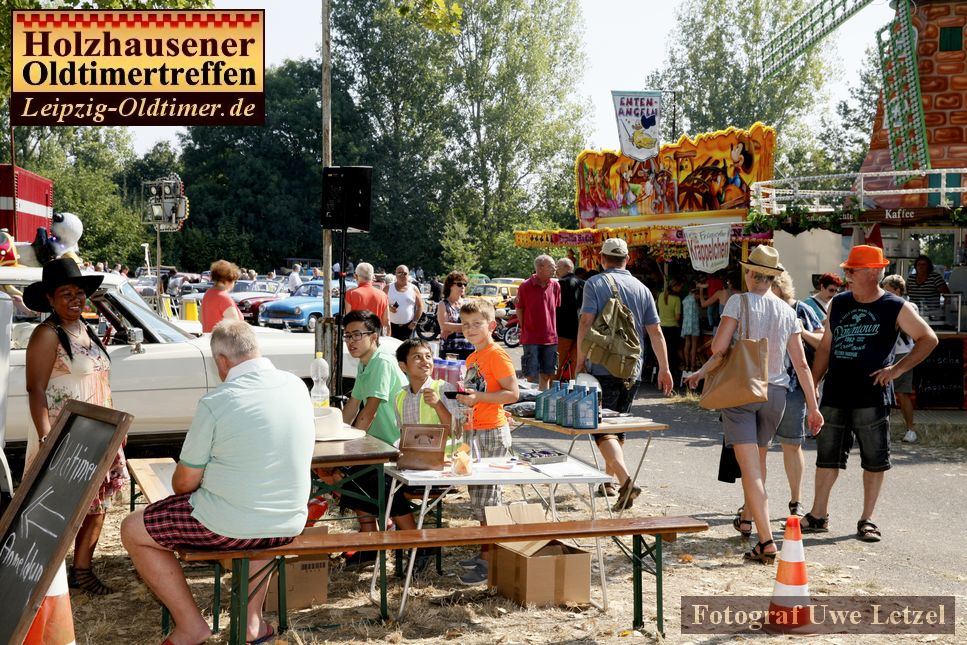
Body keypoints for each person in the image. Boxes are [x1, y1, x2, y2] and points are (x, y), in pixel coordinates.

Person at [120, 321, 314, 645]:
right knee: (258, 520)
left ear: (222, 361)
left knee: (132, 529)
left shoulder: (218, 401)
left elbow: (184, 483)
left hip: (230, 525)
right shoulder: (295, 386)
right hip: (289, 520)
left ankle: (190, 626)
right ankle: (252, 622)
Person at [686, 246, 823, 563]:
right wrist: (814, 408)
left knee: (751, 471)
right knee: (758, 467)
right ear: (774, 277)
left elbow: (719, 348)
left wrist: (700, 372)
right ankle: (750, 521)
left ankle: (766, 541)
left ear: (749, 273)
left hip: (742, 390)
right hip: (776, 393)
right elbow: (801, 365)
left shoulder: (738, 301)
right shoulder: (789, 311)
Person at [805, 245, 937, 543]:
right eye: (847, 269)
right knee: (827, 457)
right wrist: (812, 382)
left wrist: (897, 370)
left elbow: (928, 339)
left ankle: (867, 519)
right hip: (835, 392)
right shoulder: (838, 303)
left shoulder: (894, 306)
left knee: (874, 459)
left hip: (872, 395)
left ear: (875, 272)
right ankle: (817, 515)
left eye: (852, 270)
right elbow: (826, 347)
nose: (846, 274)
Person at [24, 259, 125, 604]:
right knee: (61, 508)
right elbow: (36, 390)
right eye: (66, 293)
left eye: (80, 293)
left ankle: (82, 571)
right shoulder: (47, 335)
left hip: (100, 433)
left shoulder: (85, 329)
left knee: (99, 505)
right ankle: (44, 578)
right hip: (65, 436)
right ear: (50, 298)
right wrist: (46, 437)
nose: (75, 300)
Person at [576, 238, 673, 510]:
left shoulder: (595, 284)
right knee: (617, 426)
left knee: (600, 428)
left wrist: (579, 361)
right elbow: (655, 332)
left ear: (602, 258)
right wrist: (664, 368)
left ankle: (624, 480)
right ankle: (608, 481)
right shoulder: (642, 289)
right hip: (633, 367)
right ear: (627, 259)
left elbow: (586, 322)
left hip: (601, 364)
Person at [455, 299, 519, 585]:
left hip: (491, 432)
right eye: (466, 324)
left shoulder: (496, 354)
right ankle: (485, 552)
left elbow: (512, 393)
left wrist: (479, 399)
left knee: (490, 501)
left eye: (476, 324)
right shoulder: (473, 357)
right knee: (480, 499)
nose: (470, 329)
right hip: (475, 431)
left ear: (491, 326)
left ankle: (491, 561)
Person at [339, 310, 420, 536]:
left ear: (373, 336)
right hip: (379, 446)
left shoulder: (382, 361)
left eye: (356, 335)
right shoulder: (365, 363)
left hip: (397, 446)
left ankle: (416, 542)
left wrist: (346, 446)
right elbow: (353, 406)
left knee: (375, 481)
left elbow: (369, 412)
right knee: (350, 478)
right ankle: (369, 540)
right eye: (347, 336)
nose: (350, 342)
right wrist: (336, 435)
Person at [393, 338, 460, 574]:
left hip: (441, 466)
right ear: (403, 366)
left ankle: (416, 543)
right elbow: (404, 435)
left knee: (388, 491)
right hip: (412, 465)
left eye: (428, 356)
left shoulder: (443, 389)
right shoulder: (400, 397)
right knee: (378, 485)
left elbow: (457, 430)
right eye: (417, 357)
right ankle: (416, 541)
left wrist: (438, 405)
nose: (425, 361)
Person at [771, 271, 824, 518]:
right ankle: (750, 505)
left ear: (779, 287)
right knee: (756, 448)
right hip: (763, 386)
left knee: (792, 444)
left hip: (793, 387)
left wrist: (801, 332)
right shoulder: (761, 308)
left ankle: (796, 500)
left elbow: (823, 342)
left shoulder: (801, 309)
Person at [881, 275, 919, 443]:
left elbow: (910, 332)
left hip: (902, 354)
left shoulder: (909, 306)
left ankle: (911, 430)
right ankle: (881, 429)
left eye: (887, 290)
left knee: (902, 393)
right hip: (886, 354)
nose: (883, 293)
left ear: (897, 291)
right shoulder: (884, 304)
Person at [516, 254, 561, 390]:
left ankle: (543, 403)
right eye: (552, 266)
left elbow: (555, 309)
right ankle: (532, 405)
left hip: (550, 338)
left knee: (547, 374)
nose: (555, 269)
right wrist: (527, 328)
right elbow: (520, 310)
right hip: (531, 338)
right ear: (540, 267)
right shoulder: (525, 286)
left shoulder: (555, 285)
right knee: (531, 375)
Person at [555, 257, 584, 380]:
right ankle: (573, 390)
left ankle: (552, 389)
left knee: (557, 363)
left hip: (562, 329)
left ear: (568, 268)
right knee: (575, 364)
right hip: (580, 329)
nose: (556, 271)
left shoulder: (559, 284)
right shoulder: (583, 284)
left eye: (558, 268)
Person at [437, 271, 475, 360]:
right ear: (450, 285)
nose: (463, 287)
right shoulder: (443, 304)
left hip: (469, 347)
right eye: (459, 284)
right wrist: (467, 326)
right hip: (449, 348)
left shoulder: (468, 303)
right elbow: (444, 325)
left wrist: (452, 329)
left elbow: (475, 324)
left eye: (465, 284)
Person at [345, 262, 390, 334]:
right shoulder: (383, 295)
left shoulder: (351, 293)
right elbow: (386, 322)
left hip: (356, 336)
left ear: (356, 276)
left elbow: (348, 319)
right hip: (375, 337)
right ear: (372, 277)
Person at [200, 260, 243, 333]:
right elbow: (235, 326)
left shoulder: (208, 293)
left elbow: (200, 318)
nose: (234, 284)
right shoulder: (224, 297)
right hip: (225, 342)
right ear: (227, 280)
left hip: (209, 339)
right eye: (234, 281)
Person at [388, 265, 425, 341]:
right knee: (392, 351)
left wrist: (415, 322)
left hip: (408, 327)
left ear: (408, 275)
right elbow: (381, 303)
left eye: (405, 273)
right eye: (399, 273)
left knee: (406, 351)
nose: (402, 275)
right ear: (395, 274)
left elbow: (420, 306)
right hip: (391, 326)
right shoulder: (388, 288)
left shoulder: (414, 288)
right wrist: (388, 307)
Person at [657, 278, 683, 384]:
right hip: (673, 328)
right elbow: (677, 317)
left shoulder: (660, 295)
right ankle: (673, 376)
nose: (681, 289)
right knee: (673, 353)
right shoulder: (676, 299)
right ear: (676, 287)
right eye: (680, 287)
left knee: (664, 352)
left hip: (662, 327)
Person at [681, 285, 701, 371]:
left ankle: (686, 365)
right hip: (694, 324)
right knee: (694, 346)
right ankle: (693, 366)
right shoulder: (695, 298)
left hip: (686, 324)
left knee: (687, 344)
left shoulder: (685, 299)